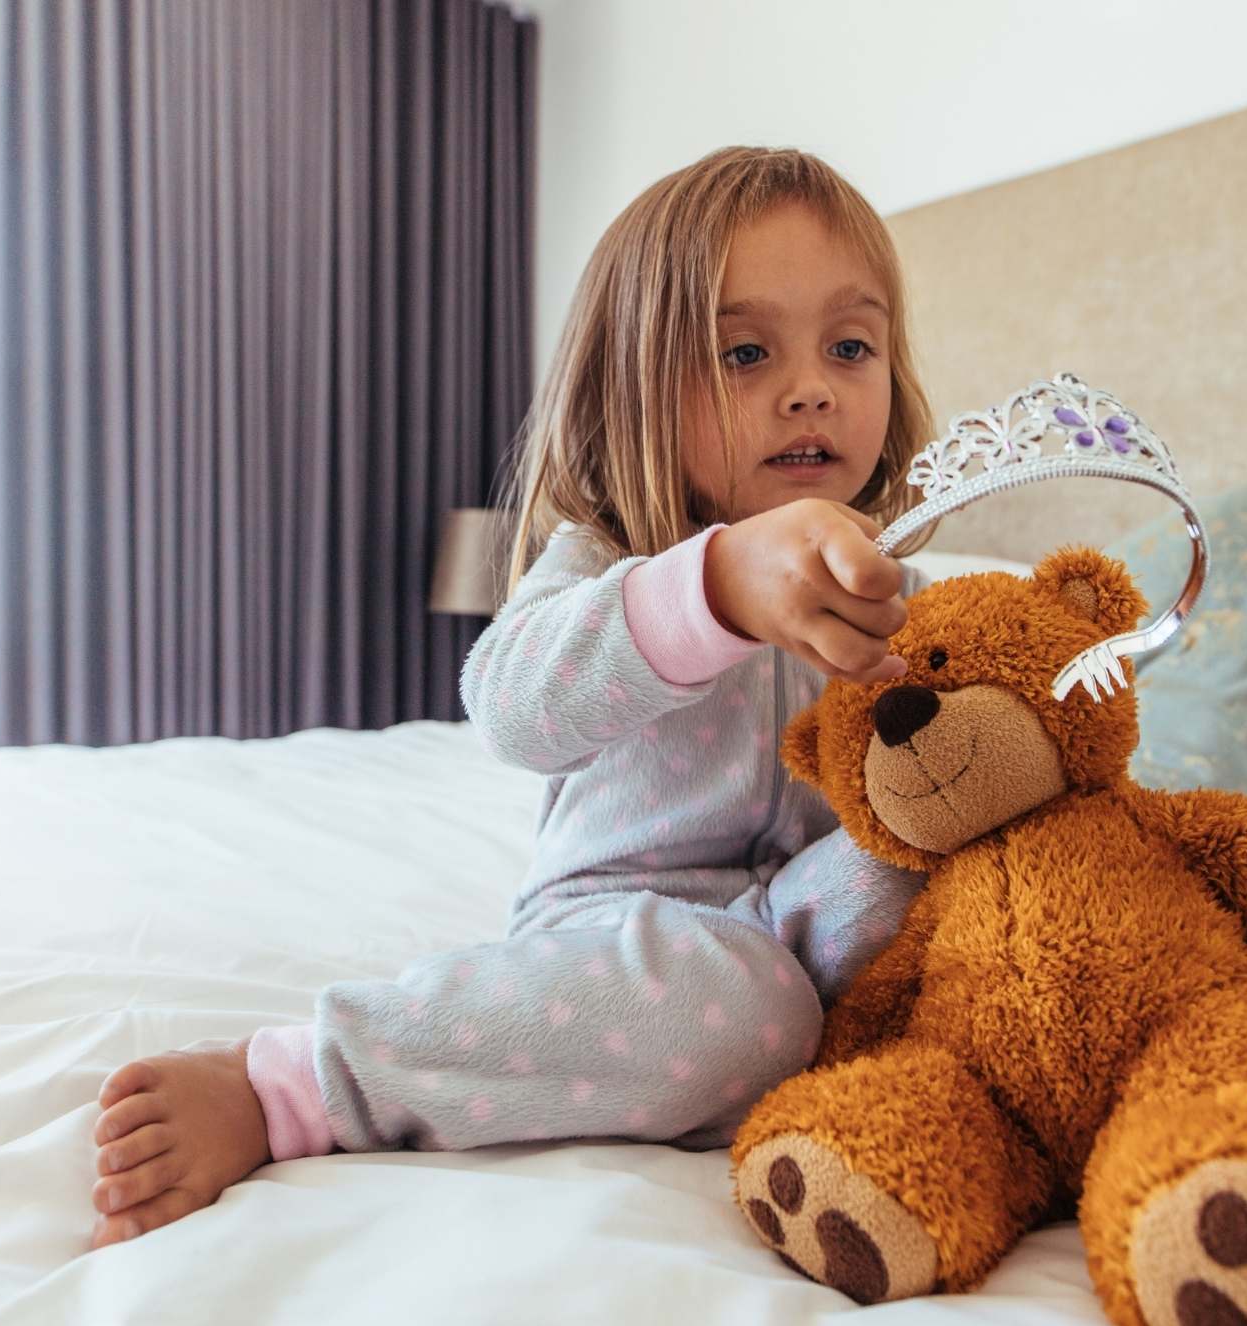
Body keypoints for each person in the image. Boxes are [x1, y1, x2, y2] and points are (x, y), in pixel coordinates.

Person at [85, 146, 942, 1250]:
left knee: (940, 864)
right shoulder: (606, 558)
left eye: (850, 345)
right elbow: (509, 706)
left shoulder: (903, 591)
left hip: (813, 932)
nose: (811, 385)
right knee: (739, 1002)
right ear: (632, 384)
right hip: (623, 940)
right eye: (741, 351)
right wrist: (715, 588)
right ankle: (300, 1082)